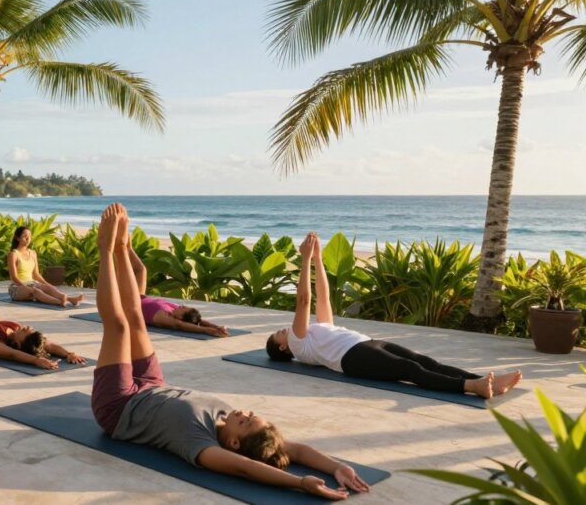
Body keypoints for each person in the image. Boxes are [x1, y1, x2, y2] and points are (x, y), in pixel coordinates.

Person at [91, 204, 369, 500]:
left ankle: (105, 250)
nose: (243, 412)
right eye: (251, 415)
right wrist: (337, 466)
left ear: (234, 443)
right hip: (154, 384)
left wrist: (299, 483)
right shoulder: (237, 424)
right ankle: (122, 249)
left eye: (245, 421)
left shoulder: (202, 445)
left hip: (121, 407)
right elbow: (296, 450)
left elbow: (245, 469)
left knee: (119, 326)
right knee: (135, 319)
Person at [266, 232, 522, 399]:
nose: (284, 330)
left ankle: (481, 380)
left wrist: (318, 259)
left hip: (365, 343)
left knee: (424, 361)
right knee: (408, 369)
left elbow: (323, 296)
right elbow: (304, 300)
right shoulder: (299, 345)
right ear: (283, 347)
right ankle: (471, 387)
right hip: (352, 359)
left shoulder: (316, 332)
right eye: (279, 334)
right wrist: (305, 259)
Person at [0, 212, 86, 370]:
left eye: (28, 332)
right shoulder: (17, 329)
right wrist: (68, 354)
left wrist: (35, 361)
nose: (28, 327)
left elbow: (13, 355)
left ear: (17, 343)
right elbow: (50, 346)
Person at [126, 246, 229, 337]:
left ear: (180, 318)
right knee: (142, 270)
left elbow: (179, 325)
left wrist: (206, 330)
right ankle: (126, 246)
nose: (182, 306)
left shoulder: (164, 318)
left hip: (128, 304)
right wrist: (217, 327)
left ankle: (121, 249)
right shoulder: (174, 309)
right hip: (139, 296)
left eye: (184, 309)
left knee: (123, 276)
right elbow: (199, 321)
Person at [7, 226, 85, 307]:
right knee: (35, 291)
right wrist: (25, 287)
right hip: (17, 287)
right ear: (18, 238)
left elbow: (36, 274)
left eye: (29, 236)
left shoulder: (33, 253)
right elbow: (14, 277)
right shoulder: (13, 254)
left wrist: (47, 284)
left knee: (48, 288)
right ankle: (59, 302)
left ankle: (71, 300)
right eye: (24, 236)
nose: (28, 238)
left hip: (31, 283)